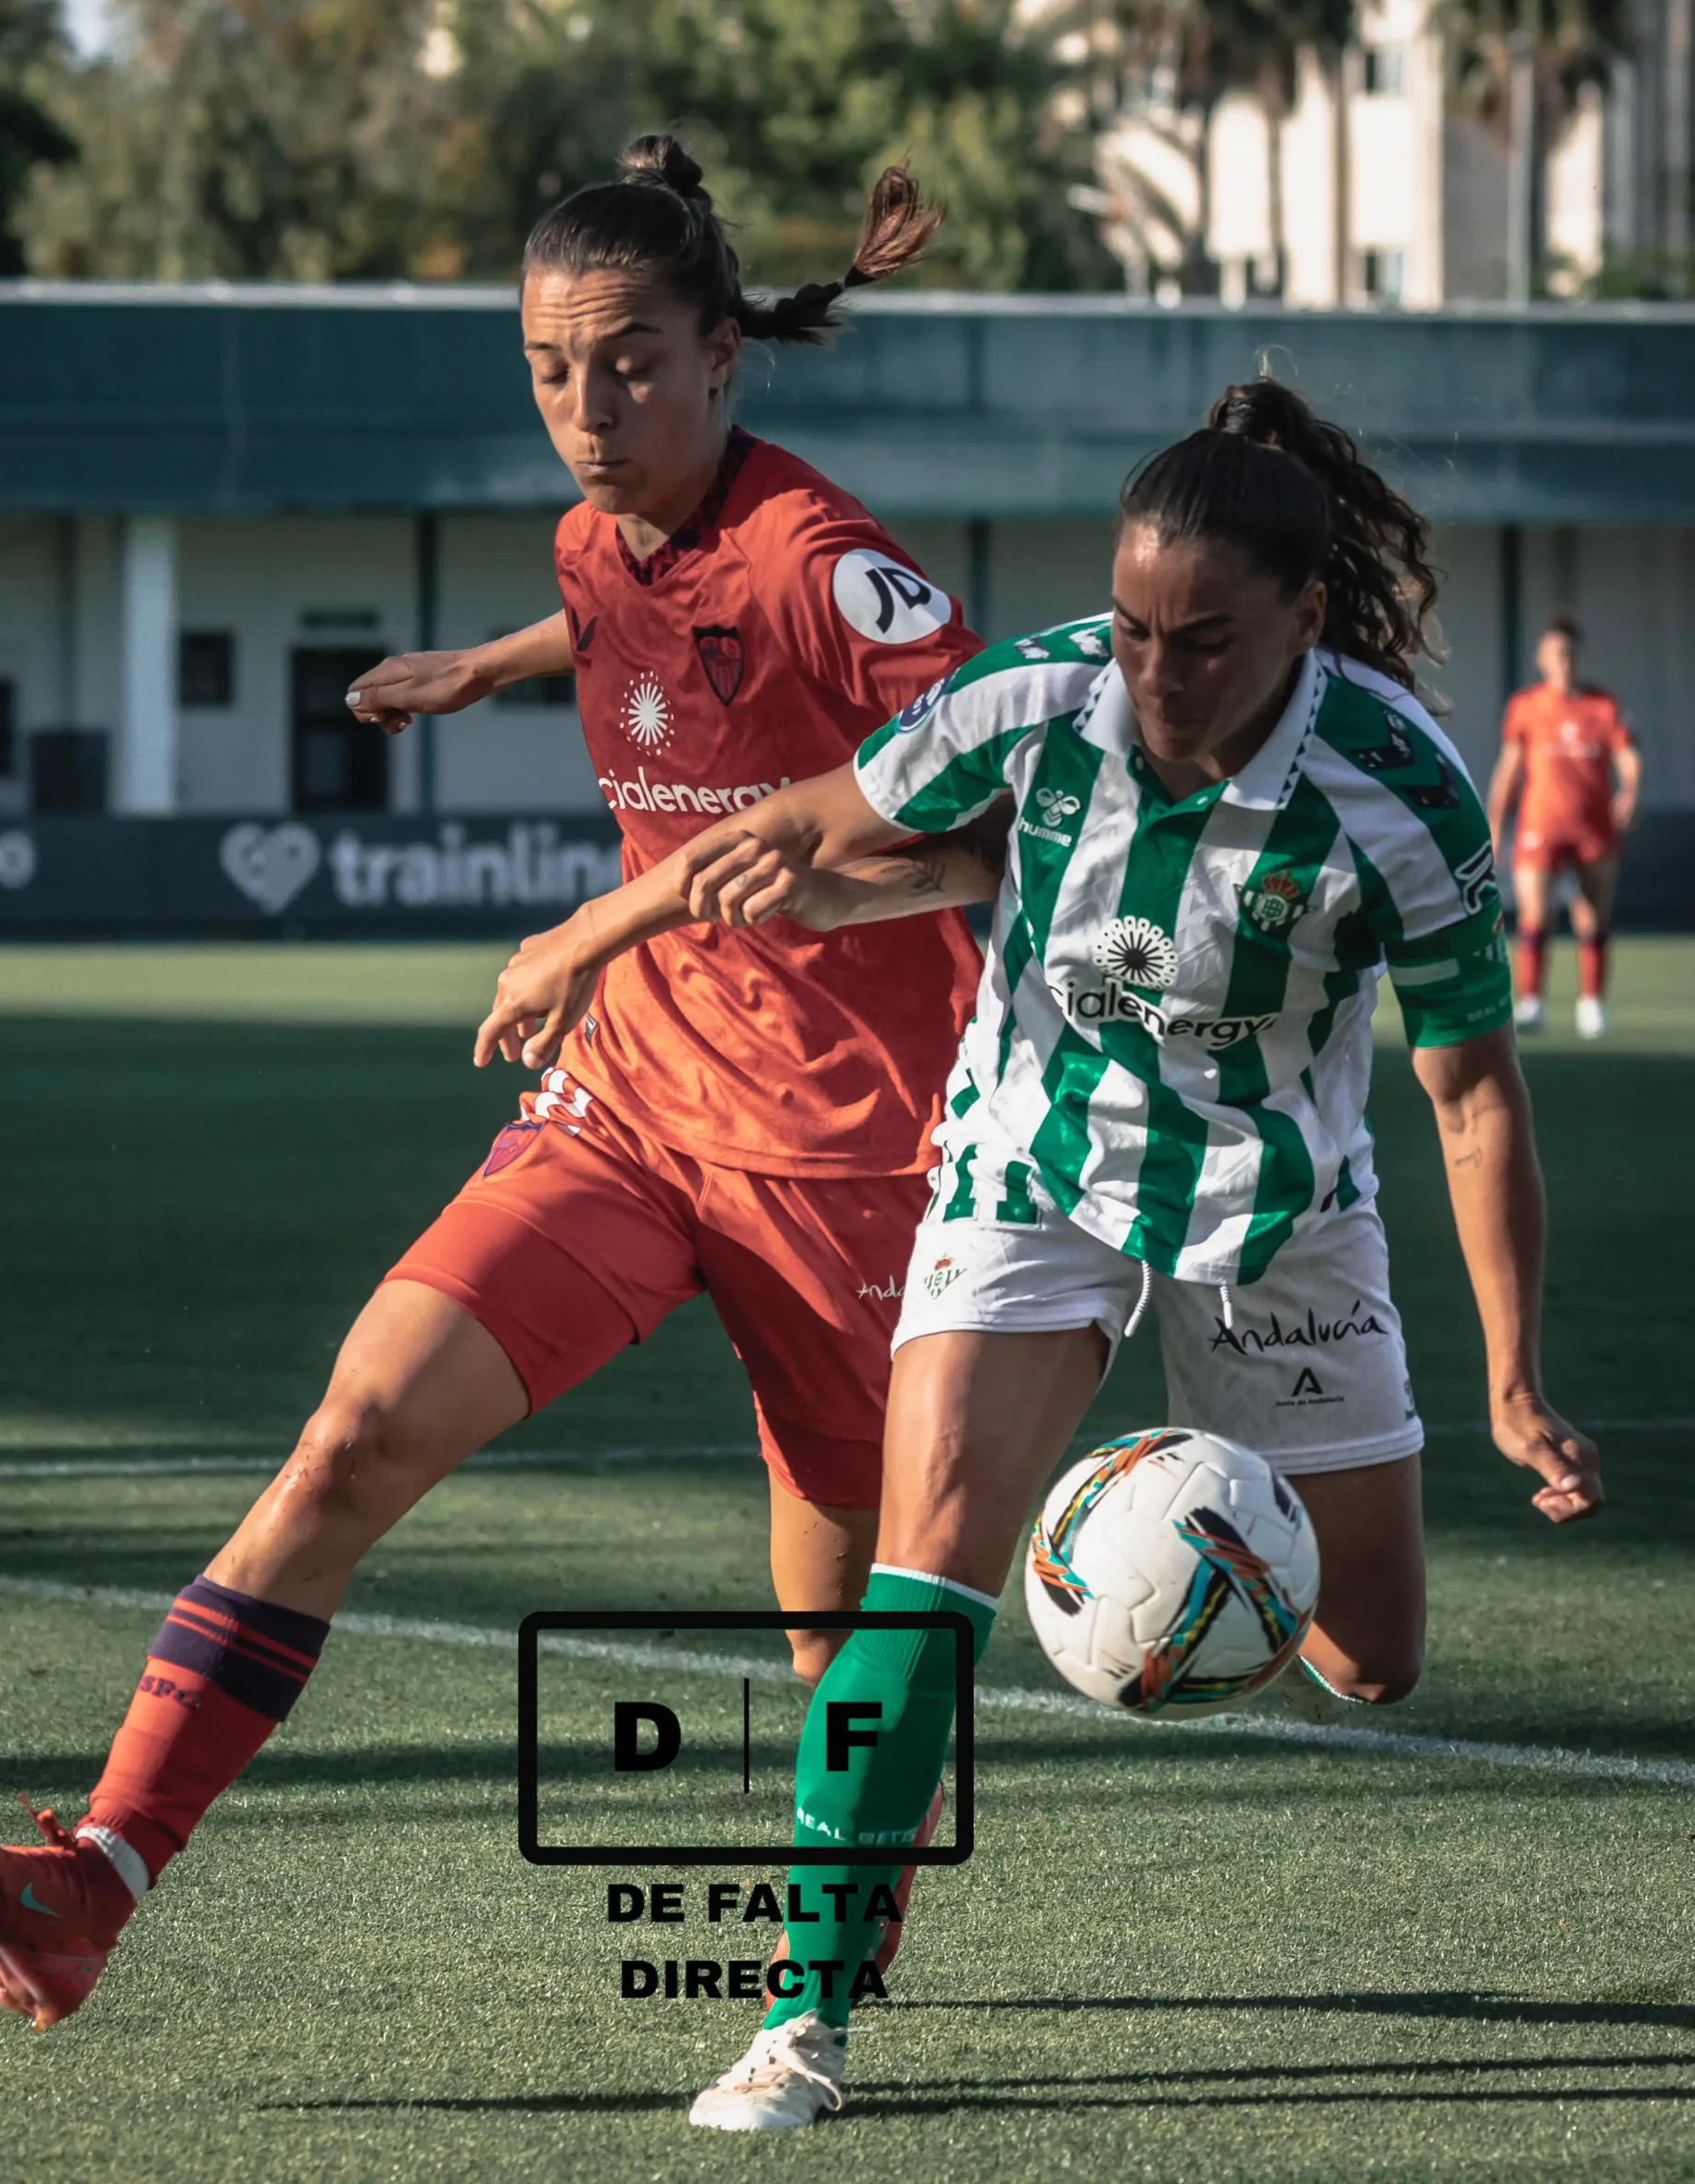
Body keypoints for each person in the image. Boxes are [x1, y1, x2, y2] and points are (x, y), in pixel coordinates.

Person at [0, 136, 992, 2030]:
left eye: (632, 361)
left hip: (855, 1156)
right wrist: (490, 665)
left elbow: (1008, 809)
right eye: (552, 367)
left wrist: (683, 893)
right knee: (354, 1431)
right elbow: (640, 610)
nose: (588, 407)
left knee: (841, 1639)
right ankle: (92, 1880)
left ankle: (846, 1890)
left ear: (726, 354)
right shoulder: (590, 529)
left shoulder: (838, 566)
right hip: (635, 1108)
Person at [475, 377, 1605, 2130]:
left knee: (1373, 1661)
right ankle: (798, 2022)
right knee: (921, 1575)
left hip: (1280, 1214)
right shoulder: (1039, 691)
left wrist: (1514, 1378)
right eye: (1136, 627)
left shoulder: (1403, 794)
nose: (1154, 674)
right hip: (1032, 1170)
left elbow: (1468, 1103)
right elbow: (794, 831)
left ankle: (1201, 1531)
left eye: (1205, 642)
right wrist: (590, 935)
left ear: (1303, 624)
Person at [1486, 616, 1641, 1039]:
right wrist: (1495, 826)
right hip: (1541, 825)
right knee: (1535, 913)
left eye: (1569, 653)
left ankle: (1592, 1003)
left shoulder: (1603, 706)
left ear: (1579, 656)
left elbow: (1627, 755)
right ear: (1541, 658)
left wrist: (1630, 789)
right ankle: (1531, 1001)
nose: (1563, 661)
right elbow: (1509, 770)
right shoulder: (1526, 706)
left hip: (1594, 829)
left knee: (1593, 915)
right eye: (1555, 653)